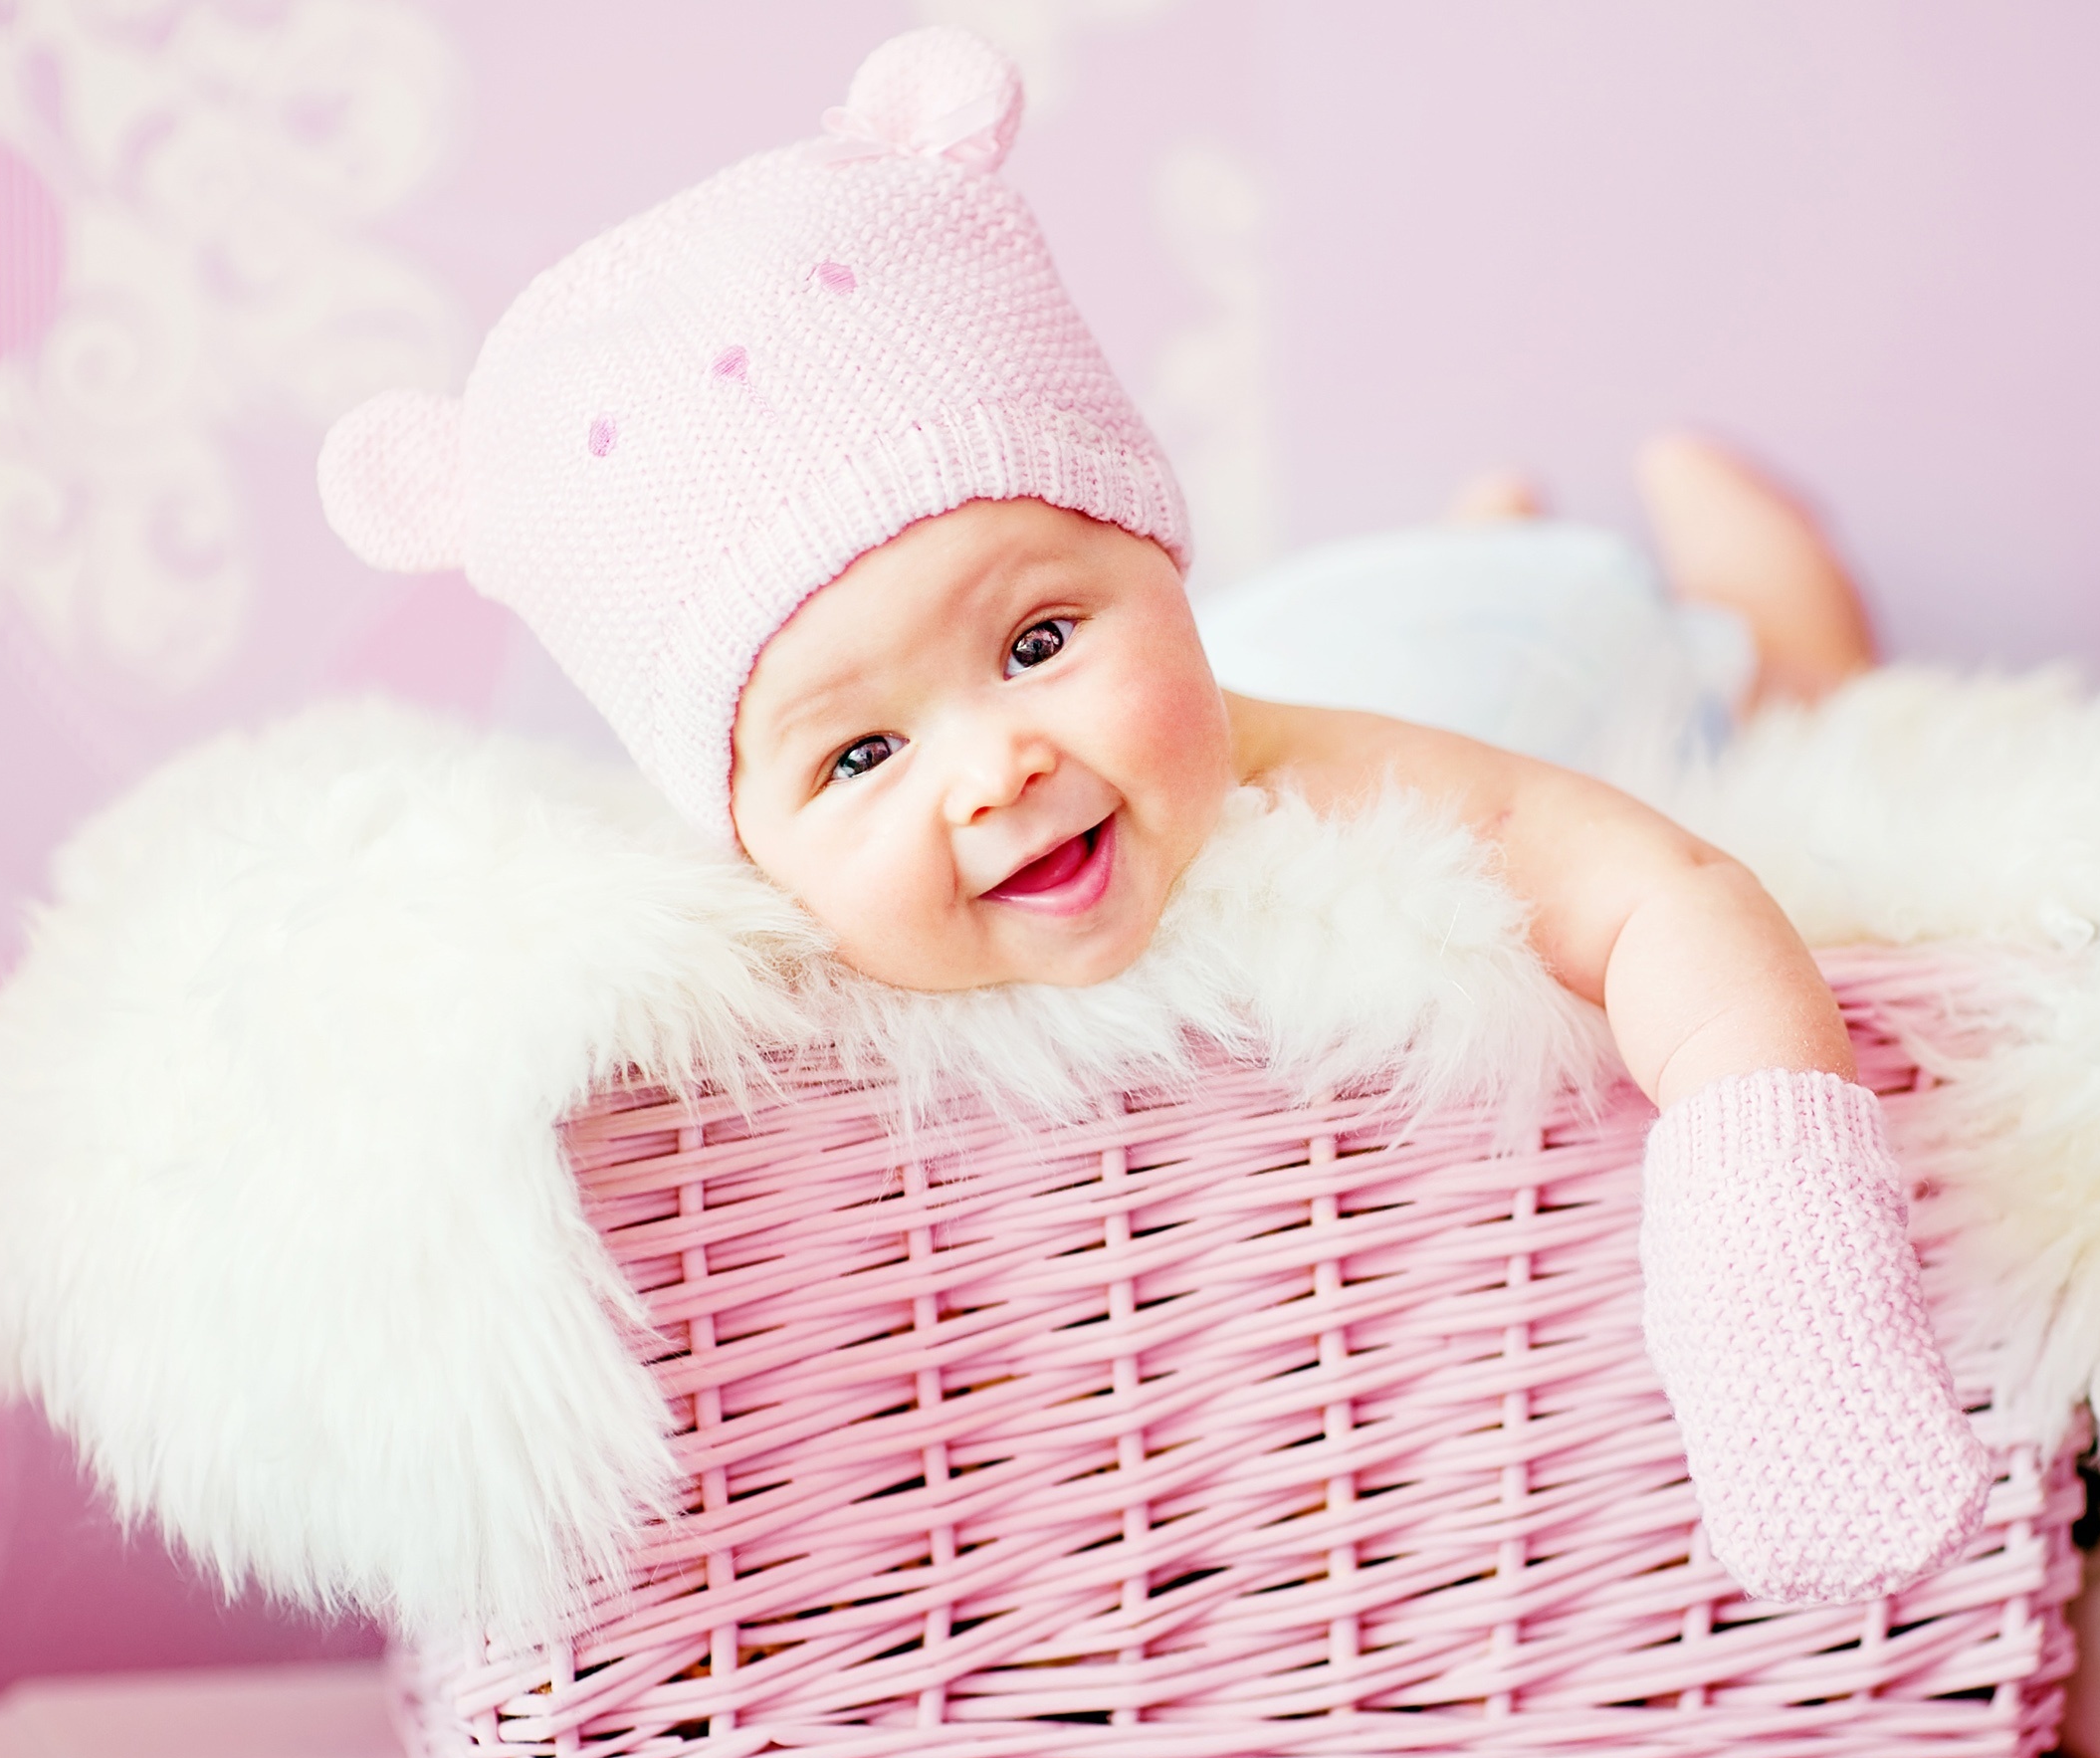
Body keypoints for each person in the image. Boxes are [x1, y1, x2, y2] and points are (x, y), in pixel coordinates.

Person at [319, 25, 1985, 1606]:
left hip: (1500, 656)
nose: (993, 773)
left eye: (1039, 644)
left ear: (1155, 571)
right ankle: (1471, 531)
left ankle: (1748, 598)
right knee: (1389, 590)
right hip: (1308, 619)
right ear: (744, 835)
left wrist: (1775, 1272)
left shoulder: (1317, 776)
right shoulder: (750, 955)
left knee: (1691, 673)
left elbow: (1674, 896)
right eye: (862, 755)